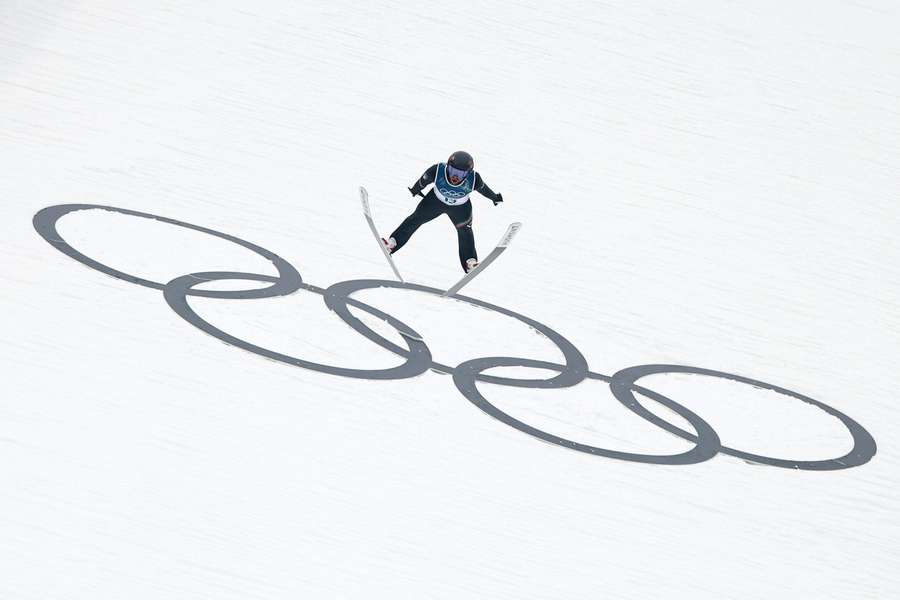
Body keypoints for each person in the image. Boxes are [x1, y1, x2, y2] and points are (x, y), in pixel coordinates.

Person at [382, 150, 504, 273]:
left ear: (468, 174)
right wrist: (415, 189)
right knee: (415, 219)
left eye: (461, 174)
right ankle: (392, 243)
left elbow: (485, 190)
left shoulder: (474, 179)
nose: (455, 177)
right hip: (435, 201)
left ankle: (470, 262)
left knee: (465, 232)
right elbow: (423, 180)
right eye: (452, 171)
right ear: (447, 167)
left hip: (460, 208)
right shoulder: (438, 170)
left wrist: (495, 198)